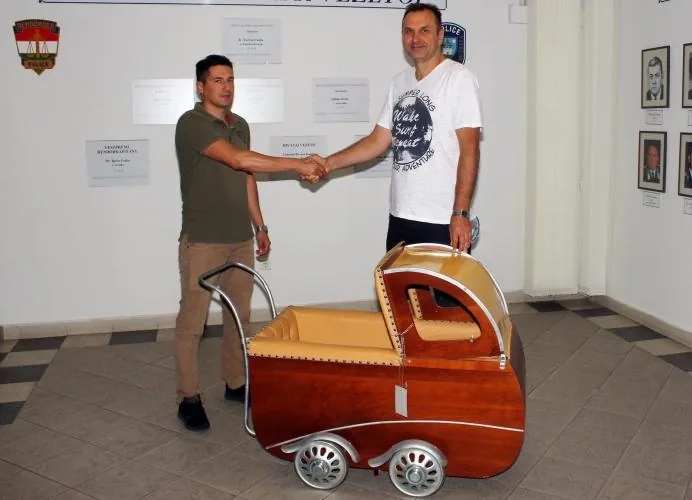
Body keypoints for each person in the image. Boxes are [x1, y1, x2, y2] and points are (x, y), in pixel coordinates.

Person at [174, 54, 326, 431]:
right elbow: (239, 160)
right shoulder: (191, 123)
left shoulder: (239, 124)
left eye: (230, 80)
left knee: (238, 317)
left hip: (239, 239)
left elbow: (246, 177)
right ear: (200, 87)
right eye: (217, 80)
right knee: (192, 323)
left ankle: (235, 383)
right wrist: (297, 164)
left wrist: (260, 225)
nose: (226, 87)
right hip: (203, 241)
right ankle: (188, 397)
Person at [325, 3, 482, 254]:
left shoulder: (458, 78)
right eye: (408, 31)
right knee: (398, 281)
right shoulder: (400, 82)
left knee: (441, 283)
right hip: (400, 215)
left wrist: (460, 213)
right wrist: (327, 164)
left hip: (441, 219)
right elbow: (377, 141)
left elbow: (470, 148)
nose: (415, 39)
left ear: (440, 35)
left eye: (424, 30)